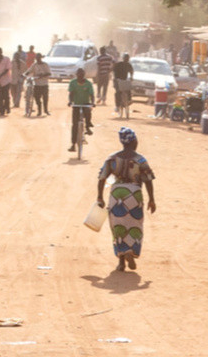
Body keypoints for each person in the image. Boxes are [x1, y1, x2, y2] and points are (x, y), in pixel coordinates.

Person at [97, 128, 157, 272]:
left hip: (117, 194)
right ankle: (131, 251)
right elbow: (148, 180)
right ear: (134, 141)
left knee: (118, 227)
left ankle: (121, 261)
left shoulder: (112, 158)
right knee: (134, 226)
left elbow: (102, 177)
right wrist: (152, 200)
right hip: (135, 194)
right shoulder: (140, 160)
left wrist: (99, 197)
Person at [67, 68, 96, 152]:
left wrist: (92, 103)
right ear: (76, 75)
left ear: (84, 75)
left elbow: (92, 95)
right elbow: (71, 94)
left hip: (85, 103)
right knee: (75, 125)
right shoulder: (73, 83)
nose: (80, 77)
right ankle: (73, 144)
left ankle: (87, 126)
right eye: (79, 75)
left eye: (82, 75)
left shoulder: (88, 83)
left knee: (88, 112)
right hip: (76, 105)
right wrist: (70, 102)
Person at [112, 52, 134, 119]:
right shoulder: (119, 64)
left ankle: (129, 100)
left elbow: (131, 71)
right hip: (118, 80)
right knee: (118, 92)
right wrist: (115, 78)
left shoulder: (128, 65)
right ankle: (117, 106)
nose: (126, 59)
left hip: (124, 80)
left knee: (128, 89)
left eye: (127, 58)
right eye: (125, 58)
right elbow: (114, 71)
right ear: (123, 58)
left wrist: (131, 77)